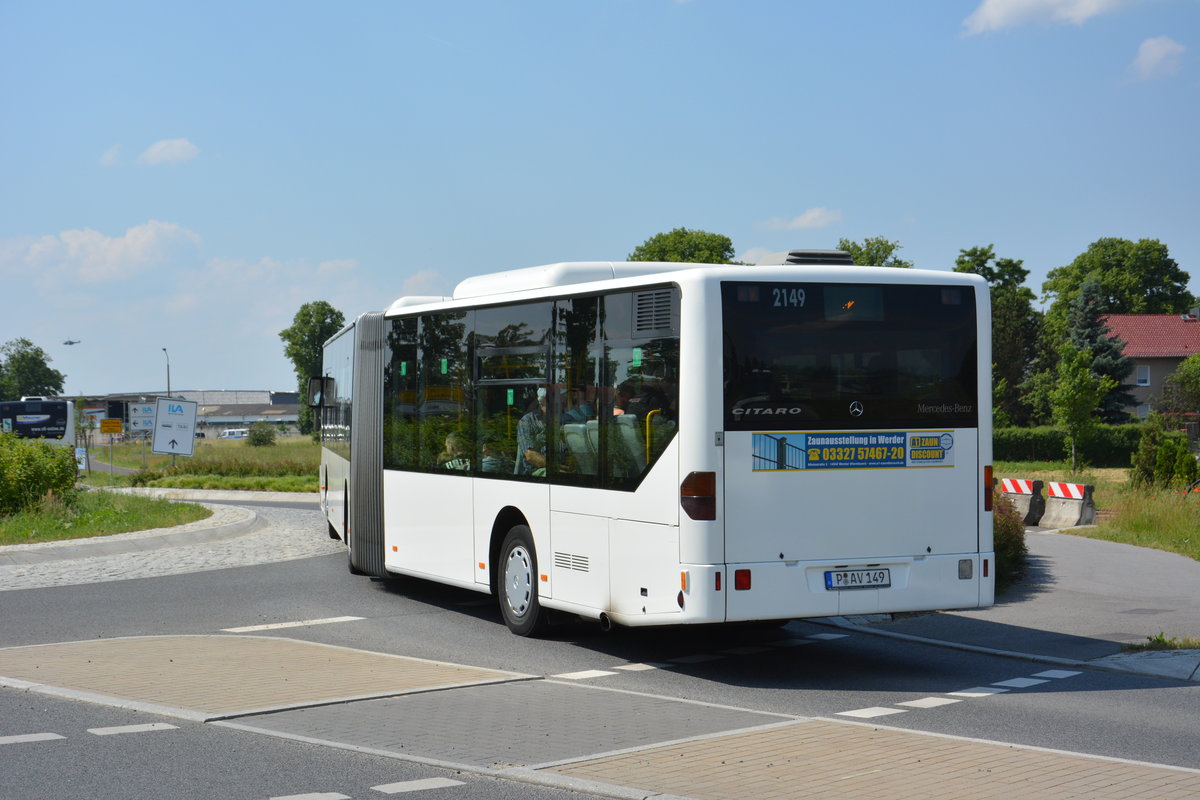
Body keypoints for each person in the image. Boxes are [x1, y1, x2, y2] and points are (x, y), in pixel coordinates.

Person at [516, 388, 548, 475]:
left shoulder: (560, 421)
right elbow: (530, 455)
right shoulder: (527, 421)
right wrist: (557, 466)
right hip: (536, 471)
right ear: (542, 403)